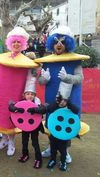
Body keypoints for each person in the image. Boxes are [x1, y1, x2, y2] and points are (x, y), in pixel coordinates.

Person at [35, 26, 89, 163]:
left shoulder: (75, 60)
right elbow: (41, 81)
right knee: (52, 121)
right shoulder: (47, 61)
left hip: (70, 98)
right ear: (51, 43)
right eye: (56, 41)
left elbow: (80, 78)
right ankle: (51, 147)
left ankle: (66, 151)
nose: (59, 44)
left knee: (66, 122)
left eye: (63, 42)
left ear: (68, 44)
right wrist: (44, 79)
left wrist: (68, 78)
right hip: (51, 97)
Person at [0, 26, 39, 156]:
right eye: (14, 41)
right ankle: (4, 138)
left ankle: (11, 142)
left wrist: (28, 97)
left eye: (19, 41)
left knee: (12, 119)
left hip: (16, 95)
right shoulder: (2, 58)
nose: (16, 44)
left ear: (23, 43)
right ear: (10, 43)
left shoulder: (27, 62)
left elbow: (30, 79)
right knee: (0, 119)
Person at [27, 82, 79, 171]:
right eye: (61, 100)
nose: (62, 102)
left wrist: (68, 103)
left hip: (64, 135)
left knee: (63, 151)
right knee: (53, 149)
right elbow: (49, 109)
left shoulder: (70, 108)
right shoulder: (55, 106)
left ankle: (63, 162)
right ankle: (52, 160)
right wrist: (57, 102)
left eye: (64, 100)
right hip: (54, 133)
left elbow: (76, 110)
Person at [8, 58, 44, 169]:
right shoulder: (21, 102)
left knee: (35, 143)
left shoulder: (36, 101)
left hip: (34, 127)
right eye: (28, 94)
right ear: (24, 95)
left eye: (32, 94)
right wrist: (15, 108)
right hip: (24, 127)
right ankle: (25, 155)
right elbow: (11, 105)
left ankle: (38, 159)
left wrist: (35, 110)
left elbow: (43, 109)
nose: (30, 96)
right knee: (24, 142)